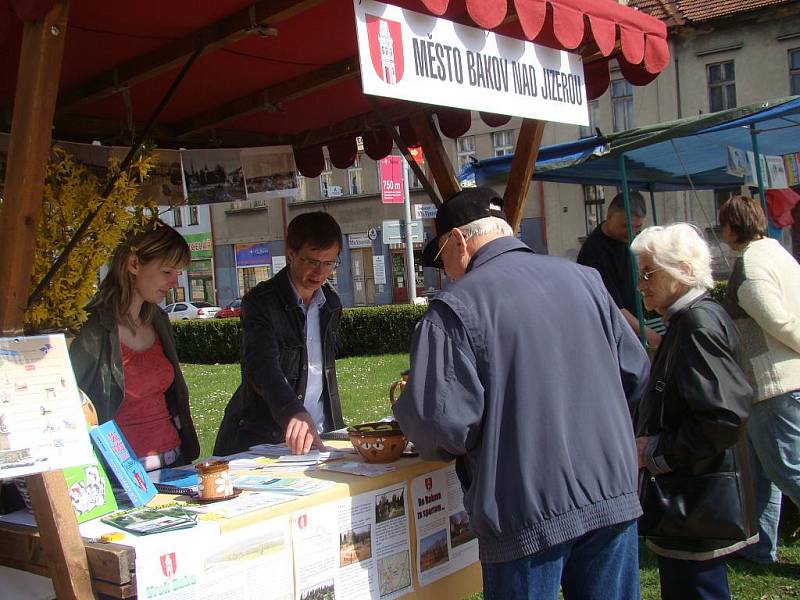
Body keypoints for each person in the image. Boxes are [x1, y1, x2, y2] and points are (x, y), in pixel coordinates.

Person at [393, 187, 650, 599]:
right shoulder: (586, 281)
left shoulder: (455, 307)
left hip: (524, 513)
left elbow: (439, 429)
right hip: (611, 490)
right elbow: (636, 376)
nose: (445, 271)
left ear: (458, 240)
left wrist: (405, 405)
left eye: (442, 259)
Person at [631, 224, 756, 599]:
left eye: (649, 272)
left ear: (683, 270)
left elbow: (724, 418)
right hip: (691, 500)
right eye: (641, 274)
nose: (642, 284)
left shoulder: (697, 323)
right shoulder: (689, 319)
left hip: (697, 498)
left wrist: (656, 452)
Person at [69, 220, 200, 470]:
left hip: (175, 462)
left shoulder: (158, 320)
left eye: (177, 273)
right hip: (118, 473)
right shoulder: (90, 328)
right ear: (134, 264)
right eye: (167, 272)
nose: (175, 282)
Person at [214, 211, 345, 456]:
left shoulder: (331, 304)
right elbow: (262, 368)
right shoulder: (261, 302)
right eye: (312, 261)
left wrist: (335, 429)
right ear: (291, 253)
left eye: (329, 263)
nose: (320, 272)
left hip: (318, 436)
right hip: (264, 438)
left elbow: (322, 375)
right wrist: (292, 411)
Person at [719, 195, 800, 564]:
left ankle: (760, 547)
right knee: (761, 475)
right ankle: (759, 548)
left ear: (732, 227)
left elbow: (778, 320)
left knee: (788, 470)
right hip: (770, 385)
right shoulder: (778, 253)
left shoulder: (751, 265)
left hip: (774, 384)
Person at [578, 190, 661, 348]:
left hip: (629, 330)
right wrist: (649, 334)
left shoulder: (624, 241)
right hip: (611, 337)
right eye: (626, 226)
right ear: (609, 217)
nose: (632, 232)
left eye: (638, 227)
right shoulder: (595, 251)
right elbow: (614, 308)